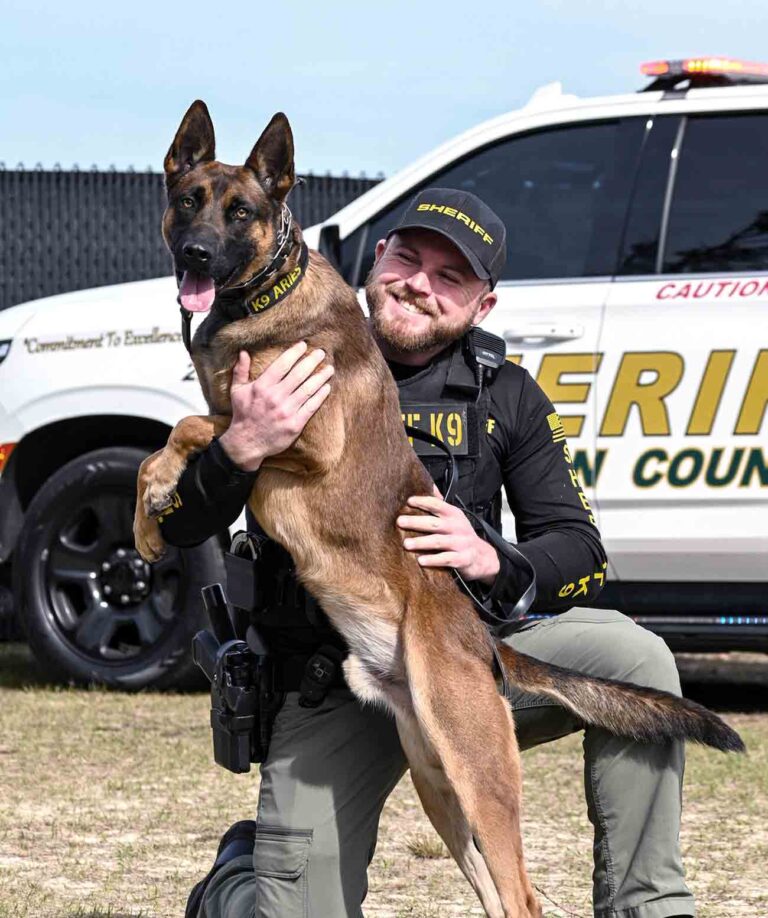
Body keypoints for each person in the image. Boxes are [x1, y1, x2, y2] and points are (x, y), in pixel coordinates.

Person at [160, 188, 694, 918]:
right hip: (326, 679)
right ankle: (235, 884)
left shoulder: (505, 393)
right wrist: (240, 448)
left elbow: (582, 552)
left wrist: (493, 557)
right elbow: (181, 528)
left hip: (462, 650)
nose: (420, 284)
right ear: (378, 260)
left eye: (452, 277)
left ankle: (649, 909)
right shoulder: (292, 345)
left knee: (635, 658)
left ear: (483, 305)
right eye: (409, 258)